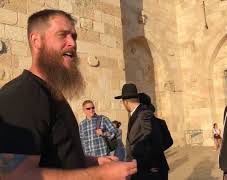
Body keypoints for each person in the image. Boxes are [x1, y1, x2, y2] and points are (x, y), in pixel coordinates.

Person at [0, 9, 136, 180]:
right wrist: (100, 175)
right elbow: (13, 175)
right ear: (36, 41)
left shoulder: (52, 94)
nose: (72, 43)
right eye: (62, 35)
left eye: (74, 36)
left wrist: (93, 162)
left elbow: (58, 158)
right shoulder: (22, 95)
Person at [115, 84, 164, 180]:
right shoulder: (135, 114)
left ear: (125, 102)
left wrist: (152, 166)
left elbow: (155, 141)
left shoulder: (144, 114)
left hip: (146, 172)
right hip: (138, 171)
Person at [138, 92, 172, 180]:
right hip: (161, 164)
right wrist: (159, 149)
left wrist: (154, 152)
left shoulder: (140, 124)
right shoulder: (161, 122)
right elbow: (169, 142)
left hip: (150, 168)